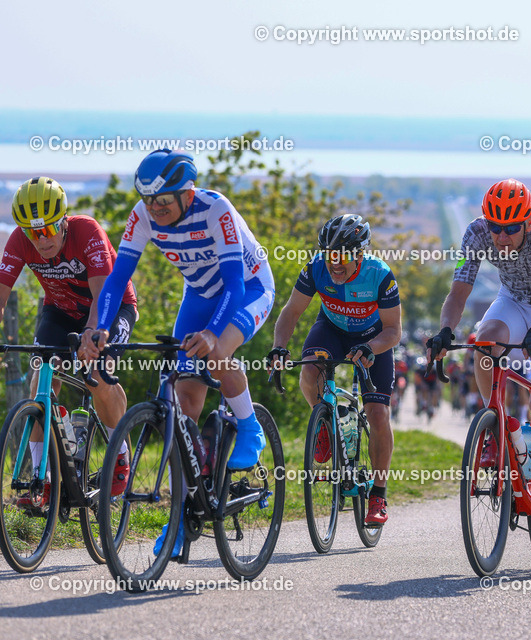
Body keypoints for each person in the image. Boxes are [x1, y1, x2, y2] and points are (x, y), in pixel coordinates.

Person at [81, 149, 275, 557]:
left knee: (217, 352)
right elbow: (117, 277)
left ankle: (250, 427)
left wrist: (212, 334)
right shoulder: (143, 215)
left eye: (163, 201)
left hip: (248, 289)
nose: (155, 209)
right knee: (183, 401)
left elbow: (235, 284)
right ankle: (182, 516)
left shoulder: (216, 209)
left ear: (187, 194)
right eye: (149, 200)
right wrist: (102, 326)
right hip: (199, 295)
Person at [427, 178, 531, 546]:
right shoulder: (476, 232)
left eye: (511, 228)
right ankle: (495, 428)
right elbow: (458, 292)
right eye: (495, 227)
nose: (501, 237)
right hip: (512, 302)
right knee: (485, 342)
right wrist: (445, 330)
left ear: (528, 222)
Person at [1, 177, 139, 508]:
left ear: (63, 220)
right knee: (41, 381)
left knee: (97, 374)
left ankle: (120, 455)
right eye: (32, 232)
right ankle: (44, 480)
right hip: (61, 311)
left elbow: (102, 294)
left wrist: (92, 333)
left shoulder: (87, 231)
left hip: (110, 307)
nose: (41, 239)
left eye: (48, 229)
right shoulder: (19, 241)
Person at [270, 214, 401, 527]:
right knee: (309, 373)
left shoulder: (379, 274)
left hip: (373, 338)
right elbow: (291, 312)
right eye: (330, 256)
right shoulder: (315, 268)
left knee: (377, 414)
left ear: (359, 254)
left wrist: (371, 348)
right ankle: (325, 424)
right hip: (331, 329)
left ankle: (378, 495)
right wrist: (278, 347)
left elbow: (393, 331)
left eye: (343, 256)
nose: (335, 264)